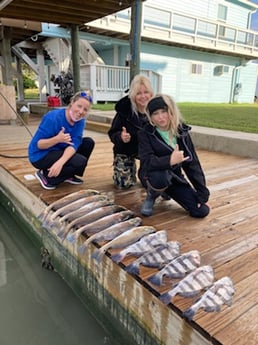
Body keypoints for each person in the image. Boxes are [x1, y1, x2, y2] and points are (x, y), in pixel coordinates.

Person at [138, 94, 210, 218]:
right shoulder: (145, 133)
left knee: (201, 211)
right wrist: (170, 160)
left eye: (164, 111)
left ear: (171, 111)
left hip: (174, 177)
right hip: (152, 176)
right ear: (150, 117)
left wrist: (202, 189)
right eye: (155, 113)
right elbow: (146, 162)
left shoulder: (181, 132)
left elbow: (192, 163)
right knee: (160, 177)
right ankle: (152, 196)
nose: (160, 117)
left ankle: (166, 191)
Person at [28, 91, 95, 190]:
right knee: (80, 162)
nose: (81, 112)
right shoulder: (53, 118)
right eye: (79, 106)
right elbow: (39, 145)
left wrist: (60, 162)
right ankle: (46, 175)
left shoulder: (80, 121)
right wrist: (57, 139)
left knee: (88, 143)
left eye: (85, 109)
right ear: (72, 102)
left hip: (59, 150)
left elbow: (74, 144)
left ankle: (68, 174)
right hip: (40, 154)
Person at [108, 74, 154, 188]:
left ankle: (145, 172)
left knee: (152, 183)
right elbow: (112, 133)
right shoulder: (124, 110)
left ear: (151, 94)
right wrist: (121, 137)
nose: (143, 96)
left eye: (146, 92)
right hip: (126, 149)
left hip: (148, 151)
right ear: (133, 95)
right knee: (124, 185)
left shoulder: (156, 110)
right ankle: (125, 170)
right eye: (138, 93)